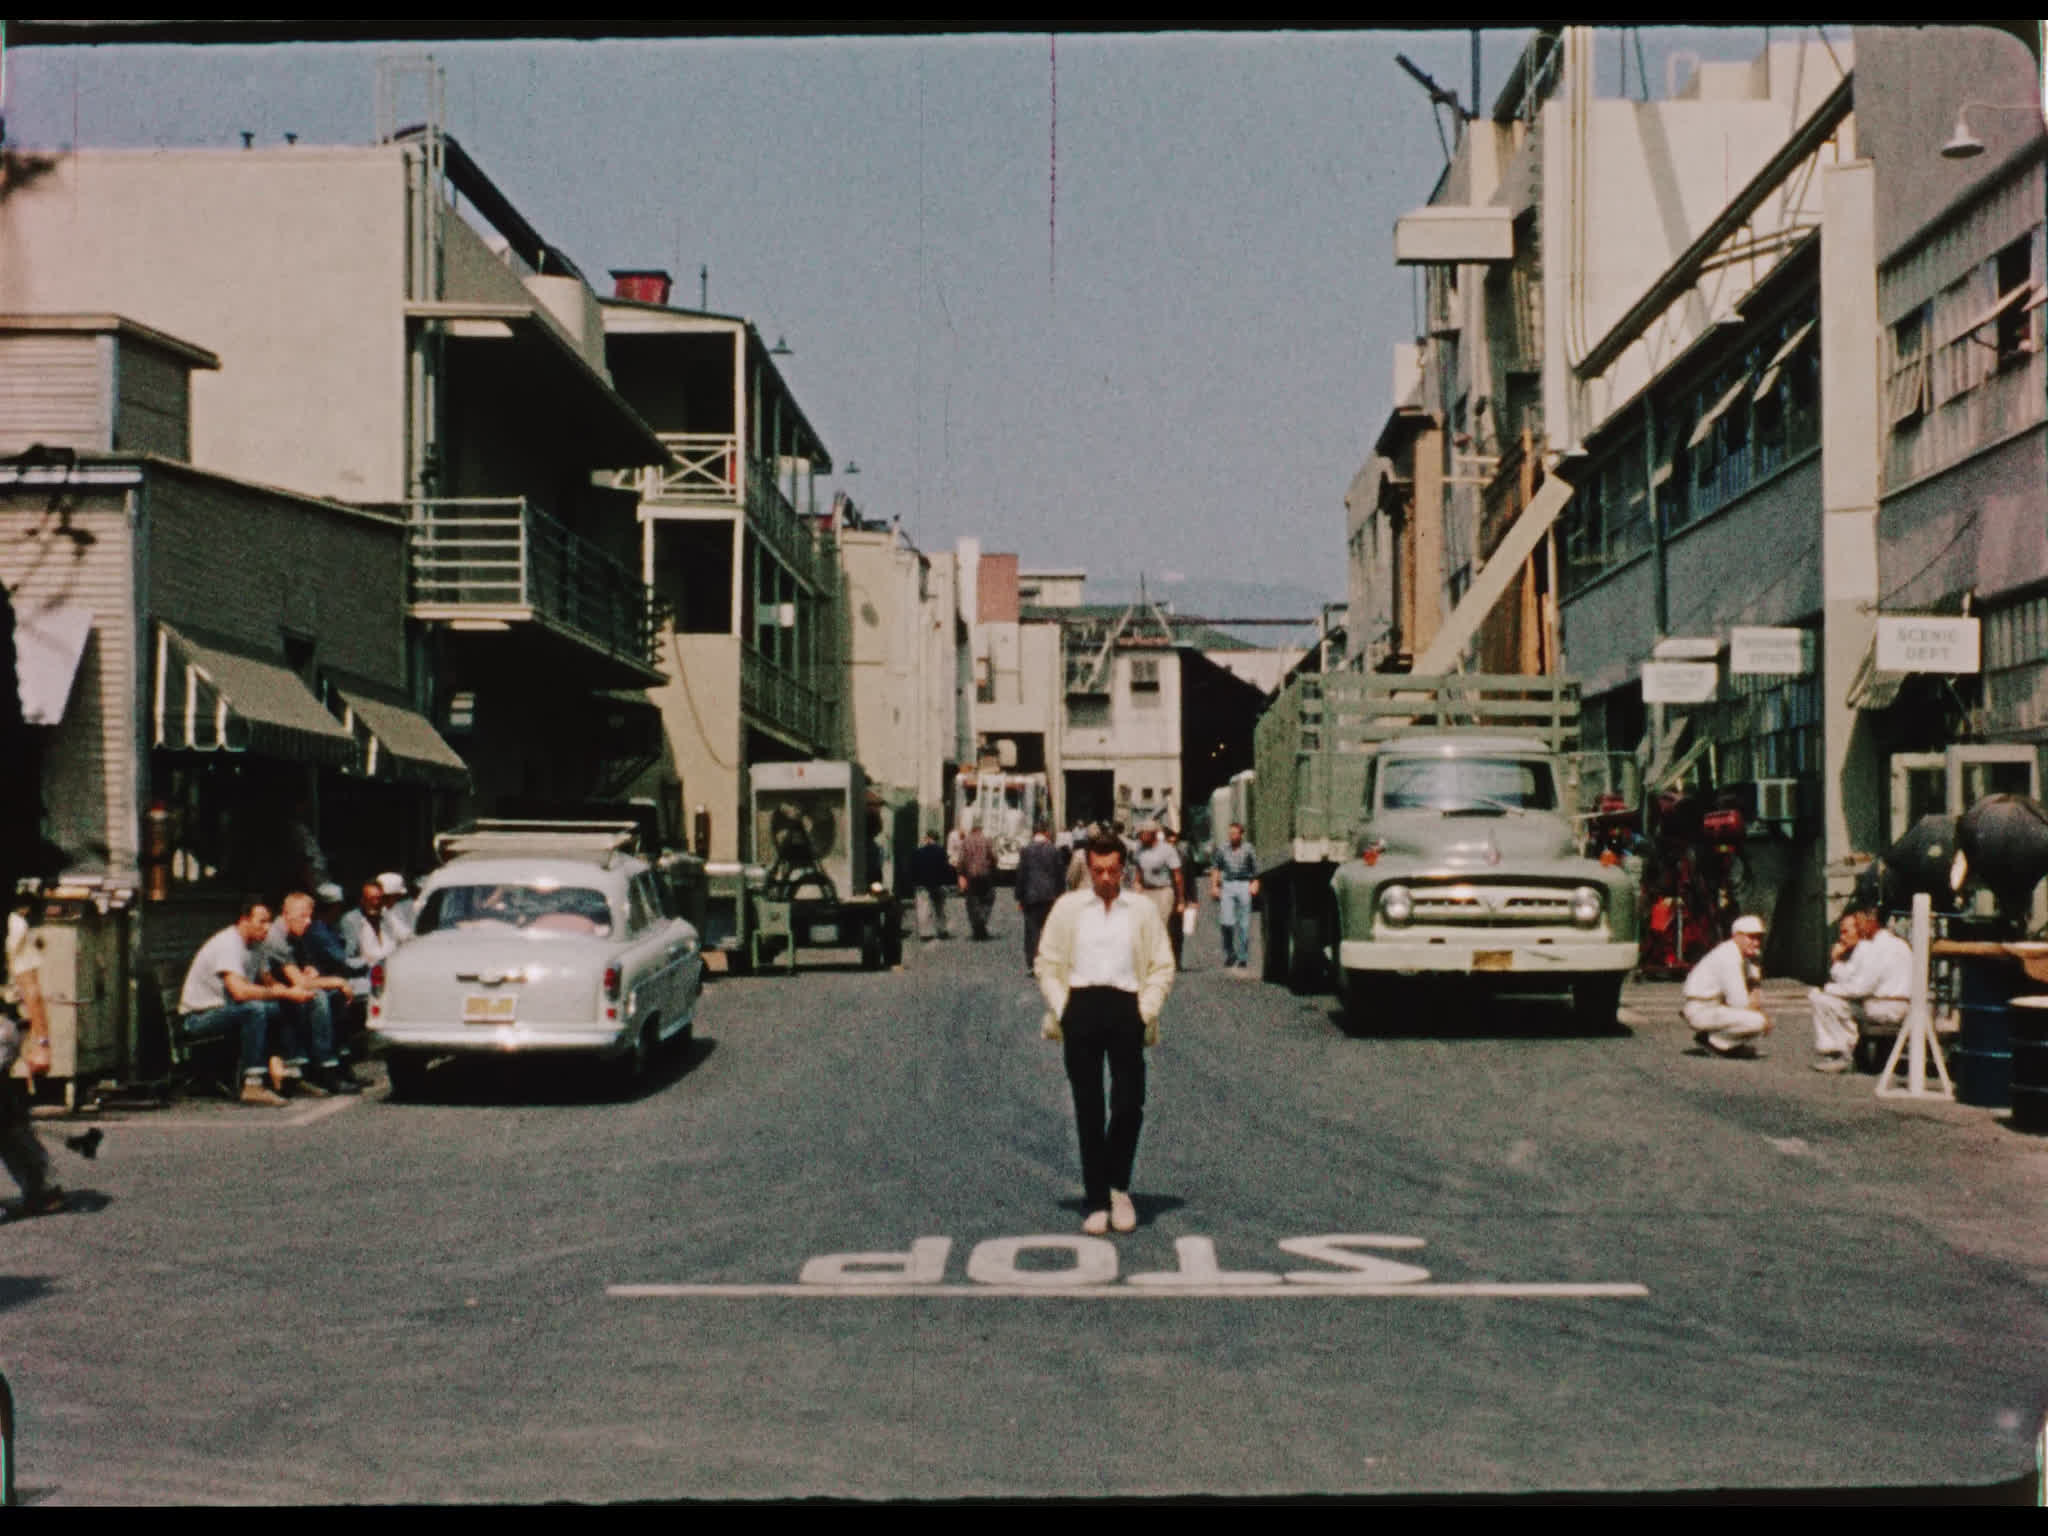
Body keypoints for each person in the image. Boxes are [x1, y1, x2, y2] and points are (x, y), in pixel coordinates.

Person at [1034, 832, 1176, 1237]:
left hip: (1127, 1008)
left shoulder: (1142, 911)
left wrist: (1144, 1010)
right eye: (1098, 870)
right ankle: (1096, 1199)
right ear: (1087, 868)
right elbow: (1047, 962)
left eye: (1113, 870)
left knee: (1129, 1104)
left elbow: (1163, 965)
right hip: (1081, 1006)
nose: (1106, 878)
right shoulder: (1068, 908)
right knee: (1089, 1107)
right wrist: (1064, 1008)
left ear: (1124, 867)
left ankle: (1119, 1188)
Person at [178, 900, 316, 1107]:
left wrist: (291, 993)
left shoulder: (257, 944)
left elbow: (269, 981)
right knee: (254, 1009)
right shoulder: (228, 944)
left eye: (269, 921)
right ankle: (253, 1084)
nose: (267, 927)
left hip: (227, 1010)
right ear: (244, 921)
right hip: (199, 1017)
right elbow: (240, 992)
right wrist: (286, 993)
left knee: (286, 1006)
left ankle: (290, 1073)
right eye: (261, 922)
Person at [255, 892, 362, 1095]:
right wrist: (337, 981)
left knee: (334, 997)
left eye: (310, 916)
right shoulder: (276, 938)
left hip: (283, 988)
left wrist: (310, 969)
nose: (308, 922)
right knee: (318, 997)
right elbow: (301, 983)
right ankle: (324, 1066)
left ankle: (342, 1060)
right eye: (302, 916)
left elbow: (304, 968)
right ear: (286, 914)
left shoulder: (296, 936)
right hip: (267, 993)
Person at [1, 903, 64, 1218]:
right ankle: (42, 1188)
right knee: (5, 1113)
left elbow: (30, 989)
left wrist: (42, 1044)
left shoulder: (11, 926)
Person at [1810, 903, 1913, 1073]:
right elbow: (1855, 977)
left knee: (1823, 1000)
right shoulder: (1899, 944)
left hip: (1882, 1006)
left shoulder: (1877, 947)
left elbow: (1860, 988)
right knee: (1831, 999)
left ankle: (1841, 1053)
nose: (1859, 927)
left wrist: (1828, 989)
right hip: (1900, 1005)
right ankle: (1848, 1050)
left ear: (1871, 921)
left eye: (1860, 922)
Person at [1681, 913, 1771, 1057]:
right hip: (1702, 1009)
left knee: (1756, 1019)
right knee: (1757, 1022)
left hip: (1713, 1007)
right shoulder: (1729, 958)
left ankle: (1724, 1043)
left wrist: (1755, 969)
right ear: (1736, 936)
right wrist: (1762, 1017)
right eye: (1751, 937)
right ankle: (1715, 1043)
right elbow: (1740, 1003)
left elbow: (1754, 996)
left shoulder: (1739, 955)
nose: (1756, 943)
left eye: (1759, 938)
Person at [1014, 820, 1067, 974]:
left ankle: (1033, 963)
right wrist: (1060, 895)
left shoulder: (1026, 850)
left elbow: (1021, 875)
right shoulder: (1053, 850)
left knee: (1031, 931)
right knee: (1049, 929)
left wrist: (1019, 897)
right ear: (1046, 832)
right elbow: (1060, 875)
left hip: (1031, 897)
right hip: (1050, 896)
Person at [1132, 821, 1186, 969]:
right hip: (1146, 891)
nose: (1141, 836)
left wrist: (1181, 899)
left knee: (1159, 925)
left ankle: (1161, 960)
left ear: (1153, 834)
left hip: (1163, 891)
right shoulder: (1139, 850)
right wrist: (1136, 884)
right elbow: (1138, 870)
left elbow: (1177, 876)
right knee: (1144, 925)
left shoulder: (1167, 850)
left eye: (1143, 833)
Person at [1210, 821, 1260, 974]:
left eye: (1235, 833)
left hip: (1244, 884)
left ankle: (1243, 957)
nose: (1232, 836)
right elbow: (1216, 867)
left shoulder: (1248, 849)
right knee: (1226, 921)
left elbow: (1256, 868)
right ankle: (1230, 952)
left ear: (1241, 834)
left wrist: (1255, 882)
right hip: (1228, 884)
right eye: (1230, 833)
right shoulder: (1223, 849)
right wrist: (1214, 886)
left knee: (1244, 924)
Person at [955, 822, 996, 941]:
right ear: (980, 829)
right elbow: (993, 857)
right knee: (988, 898)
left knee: (972, 901)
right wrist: (992, 868)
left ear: (972, 829)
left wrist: (961, 875)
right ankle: (982, 920)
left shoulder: (966, 841)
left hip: (971, 876)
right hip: (985, 875)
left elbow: (961, 861)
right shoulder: (987, 840)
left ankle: (977, 925)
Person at [909, 831, 953, 942]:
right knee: (940, 908)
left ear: (927, 838)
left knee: (923, 907)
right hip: (938, 883)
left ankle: (925, 932)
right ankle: (942, 930)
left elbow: (913, 868)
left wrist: (914, 882)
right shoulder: (941, 852)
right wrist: (947, 883)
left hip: (922, 883)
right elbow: (946, 868)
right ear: (936, 839)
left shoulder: (919, 851)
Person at [377, 871, 418, 941]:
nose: (398, 897)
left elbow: (409, 934)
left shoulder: (407, 906)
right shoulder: (376, 912)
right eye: (396, 895)